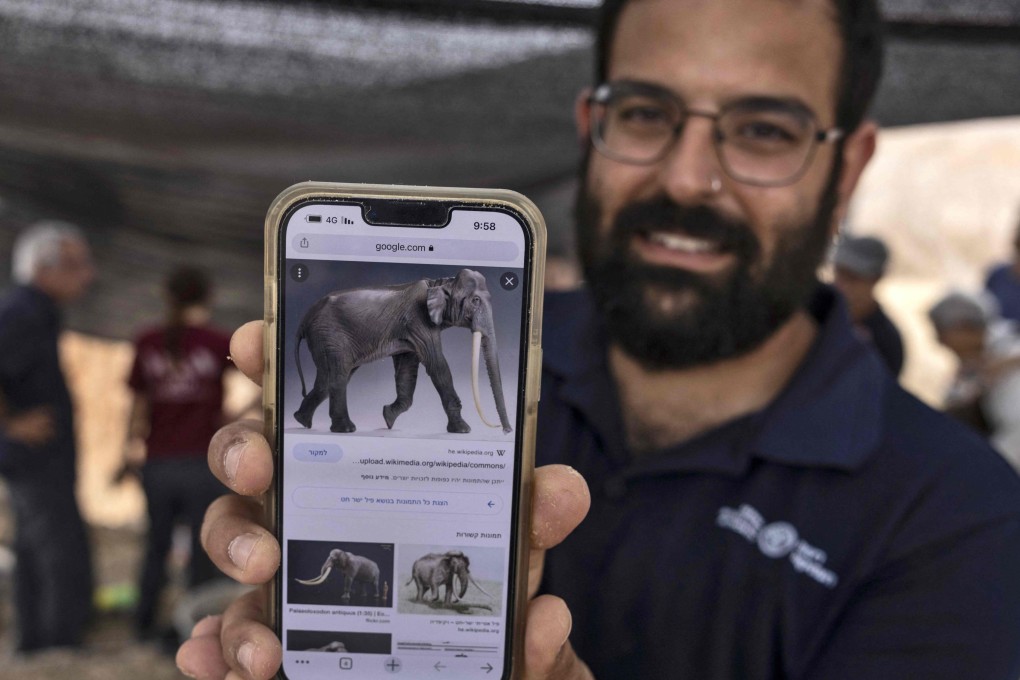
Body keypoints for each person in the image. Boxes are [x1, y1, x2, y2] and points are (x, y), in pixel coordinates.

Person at [178, 0, 1020, 678]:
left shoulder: (961, 524)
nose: (688, 177)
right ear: (591, 128)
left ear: (849, 166)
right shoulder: (509, 361)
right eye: (647, 112)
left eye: (765, 129)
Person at [122, 266, 235, 643]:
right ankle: (190, 632)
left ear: (166, 295)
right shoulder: (217, 342)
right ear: (208, 297)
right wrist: (236, 414)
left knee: (156, 545)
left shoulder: (147, 340)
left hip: (158, 464)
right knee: (202, 552)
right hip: (202, 464)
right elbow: (265, 372)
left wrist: (127, 453)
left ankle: (142, 624)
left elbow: (137, 404)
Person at [0, 221, 95, 653]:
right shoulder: (21, 312)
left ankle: (35, 641)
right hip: (32, 457)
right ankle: (56, 644)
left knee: (35, 546)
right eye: (76, 265)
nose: (87, 276)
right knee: (57, 548)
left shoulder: (39, 312)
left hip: (39, 457)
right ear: (44, 268)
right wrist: (10, 425)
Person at [929, 290, 1020, 472]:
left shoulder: (1009, 362)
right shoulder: (976, 365)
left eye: (942, 332)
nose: (939, 341)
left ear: (965, 328)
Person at [831, 233, 905, 375]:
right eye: (839, 273)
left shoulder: (885, 340)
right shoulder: (817, 315)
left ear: (876, 279)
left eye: (853, 278)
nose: (841, 284)